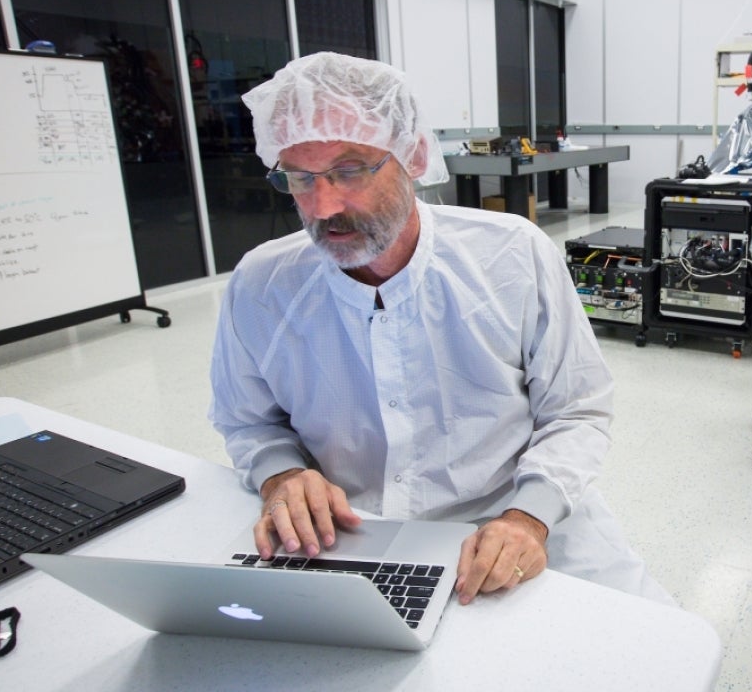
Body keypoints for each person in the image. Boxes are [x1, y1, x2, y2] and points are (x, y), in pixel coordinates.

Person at [209, 51, 671, 605]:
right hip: (352, 535)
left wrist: (529, 518)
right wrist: (281, 475)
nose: (324, 205)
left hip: (518, 518)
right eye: (300, 178)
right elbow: (248, 423)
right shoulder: (261, 286)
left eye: (350, 170)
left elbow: (577, 409)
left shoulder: (512, 256)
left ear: (414, 156)